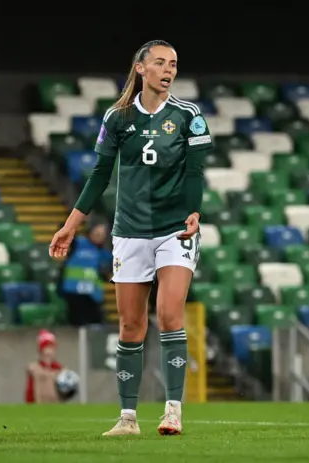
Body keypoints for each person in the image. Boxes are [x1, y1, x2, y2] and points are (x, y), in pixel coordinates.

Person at [49, 40, 211, 436]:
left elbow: (194, 172)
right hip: (130, 232)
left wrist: (193, 211)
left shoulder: (190, 116)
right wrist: (71, 224)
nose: (168, 69)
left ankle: (172, 410)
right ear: (141, 69)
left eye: (173, 63)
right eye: (159, 63)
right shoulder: (118, 117)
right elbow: (100, 174)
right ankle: (128, 419)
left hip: (175, 229)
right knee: (130, 326)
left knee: (170, 314)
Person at [57, 221, 112, 326]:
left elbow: (107, 274)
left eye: (102, 233)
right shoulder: (78, 243)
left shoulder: (105, 254)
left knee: (96, 325)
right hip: (74, 293)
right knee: (77, 325)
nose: (99, 235)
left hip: (92, 295)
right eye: (97, 231)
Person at [25, 329, 64, 403]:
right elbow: (30, 391)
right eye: (47, 347)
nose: (50, 351)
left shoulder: (60, 369)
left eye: (52, 348)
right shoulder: (34, 369)